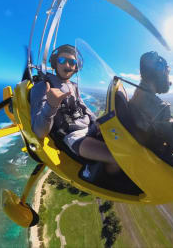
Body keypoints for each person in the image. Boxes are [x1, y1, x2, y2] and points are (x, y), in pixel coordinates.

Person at [30, 44, 120, 175]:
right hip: (75, 136)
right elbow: (38, 132)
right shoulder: (43, 87)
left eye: (72, 62)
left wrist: (97, 122)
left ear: (76, 67)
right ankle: (109, 186)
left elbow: (83, 107)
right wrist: (51, 105)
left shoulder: (73, 86)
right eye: (62, 60)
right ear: (55, 62)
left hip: (91, 128)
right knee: (118, 158)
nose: (67, 65)